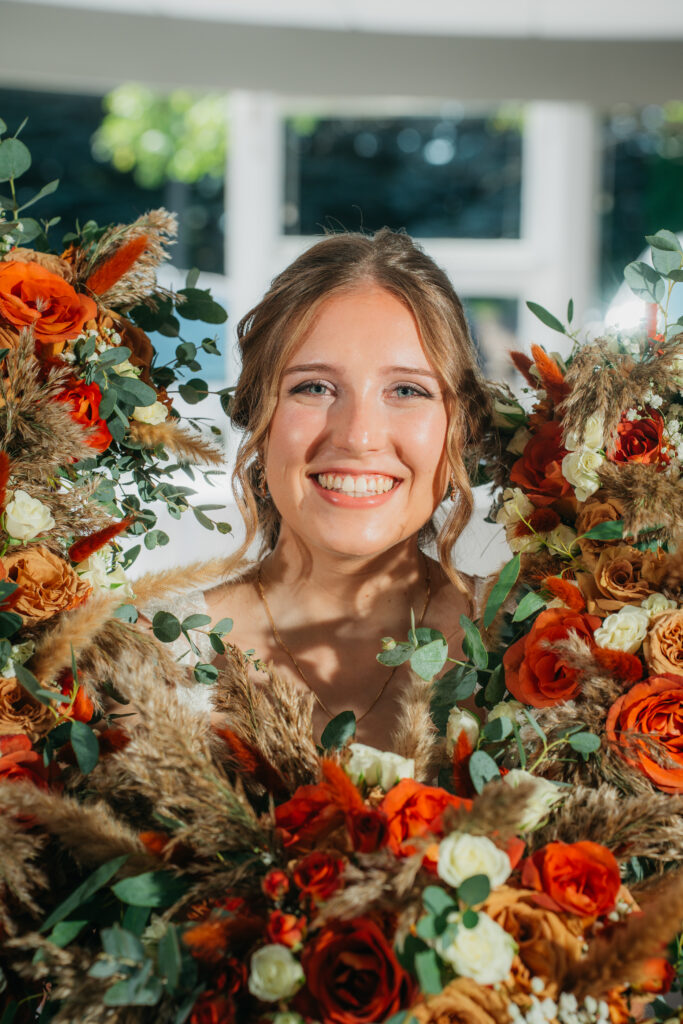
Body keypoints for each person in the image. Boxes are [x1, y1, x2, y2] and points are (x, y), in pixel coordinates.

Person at [176, 229, 492, 749]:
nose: (358, 436)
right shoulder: (154, 654)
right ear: (260, 420)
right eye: (315, 387)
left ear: (459, 427)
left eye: (407, 389)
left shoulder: (537, 640)